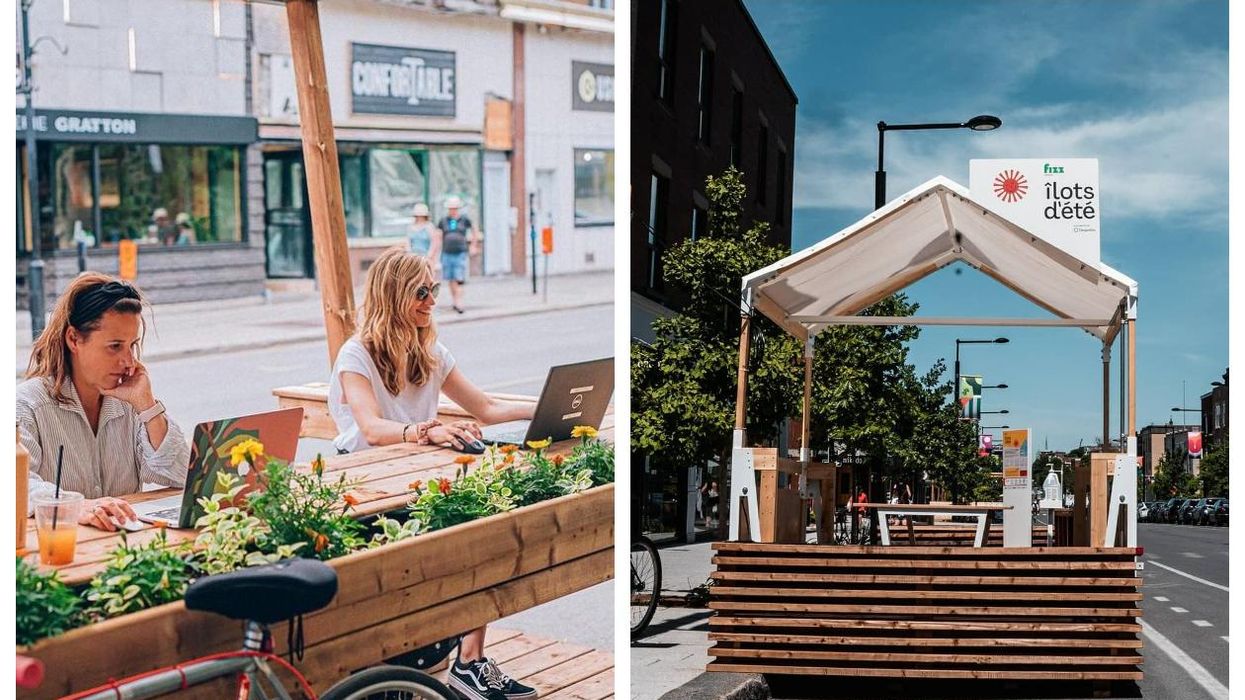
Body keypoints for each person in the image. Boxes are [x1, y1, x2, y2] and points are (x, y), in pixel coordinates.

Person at [328, 247, 536, 700]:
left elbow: (486, 407)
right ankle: (393, 671)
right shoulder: (355, 354)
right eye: (421, 292)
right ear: (393, 295)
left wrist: (547, 408)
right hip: (367, 488)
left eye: (434, 289)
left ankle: (471, 662)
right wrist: (426, 430)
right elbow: (371, 428)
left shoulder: (431, 351)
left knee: (483, 524)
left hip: (418, 479)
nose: (432, 300)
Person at [18, 273, 190, 532]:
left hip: (126, 545)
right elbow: (16, 485)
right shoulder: (27, 405)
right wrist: (77, 506)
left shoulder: (131, 403)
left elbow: (180, 474)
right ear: (74, 339)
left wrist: (148, 406)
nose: (129, 361)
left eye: (132, 345)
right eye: (115, 346)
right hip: (63, 549)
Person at [438, 196, 479, 314]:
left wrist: (473, 245)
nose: (453, 210)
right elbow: (438, 236)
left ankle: (459, 302)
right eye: (451, 208)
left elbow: (474, 230)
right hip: (447, 252)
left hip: (460, 252)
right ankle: (455, 301)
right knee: (451, 278)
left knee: (459, 277)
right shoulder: (443, 221)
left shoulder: (464, 220)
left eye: (455, 208)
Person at [408, 202, 442, 276]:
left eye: (421, 215)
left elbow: (434, 243)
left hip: (426, 256)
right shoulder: (411, 227)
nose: (420, 217)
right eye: (418, 215)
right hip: (414, 257)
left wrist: (430, 255)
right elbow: (409, 242)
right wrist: (409, 253)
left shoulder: (429, 226)